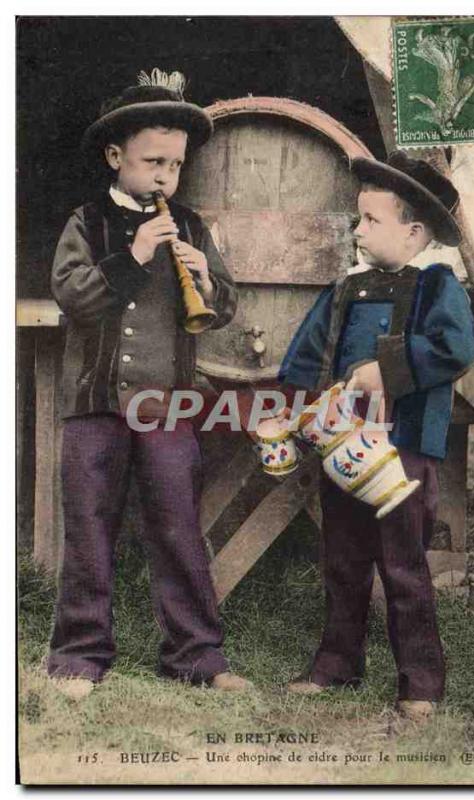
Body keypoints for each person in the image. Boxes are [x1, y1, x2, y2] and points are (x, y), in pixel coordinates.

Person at [47, 69, 251, 699]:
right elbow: (73, 294)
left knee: (177, 527)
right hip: (96, 405)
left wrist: (207, 282)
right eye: (152, 161)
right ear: (116, 157)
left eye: (176, 165)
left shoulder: (189, 226)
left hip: (169, 406)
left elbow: (225, 304)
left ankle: (196, 655)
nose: (165, 176)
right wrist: (134, 256)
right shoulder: (86, 220)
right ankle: (79, 654)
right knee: (89, 525)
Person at [278, 151, 474, 722]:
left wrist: (382, 371)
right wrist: (299, 410)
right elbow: (306, 356)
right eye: (357, 220)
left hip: (403, 449)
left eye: (371, 221)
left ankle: (420, 680)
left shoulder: (438, 285)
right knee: (342, 557)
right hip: (344, 449)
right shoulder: (348, 288)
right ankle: (337, 663)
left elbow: (457, 349)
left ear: (414, 232)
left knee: (403, 562)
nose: (358, 231)